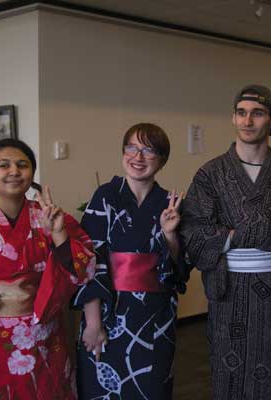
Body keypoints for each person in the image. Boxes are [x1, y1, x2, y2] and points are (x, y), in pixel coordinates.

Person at [0, 138, 95, 399]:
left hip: (46, 337)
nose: (14, 171)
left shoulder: (47, 216)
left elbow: (86, 268)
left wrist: (58, 235)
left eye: (22, 165)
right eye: (4, 165)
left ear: (32, 173)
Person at [180, 84, 271, 399]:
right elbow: (193, 231)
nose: (248, 121)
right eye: (242, 113)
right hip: (229, 292)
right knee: (227, 376)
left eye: (258, 114)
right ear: (234, 119)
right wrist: (252, 235)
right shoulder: (211, 174)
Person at [72, 123, 189, 399]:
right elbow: (89, 260)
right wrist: (93, 323)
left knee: (152, 388)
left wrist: (170, 236)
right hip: (110, 315)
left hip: (156, 317)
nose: (138, 157)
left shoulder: (170, 203)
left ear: (162, 160)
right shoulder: (105, 197)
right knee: (104, 389)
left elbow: (179, 269)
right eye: (132, 148)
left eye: (148, 150)